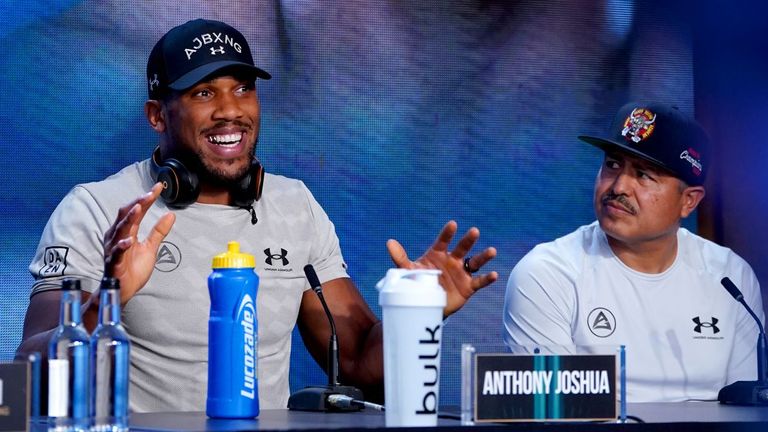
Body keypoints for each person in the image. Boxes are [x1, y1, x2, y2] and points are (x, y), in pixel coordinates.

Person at [17, 18, 498, 412]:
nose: (231, 110)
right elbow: (30, 374)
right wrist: (110, 295)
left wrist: (418, 313)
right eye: (203, 93)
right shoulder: (98, 208)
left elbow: (356, 367)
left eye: (243, 88)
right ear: (157, 116)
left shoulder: (296, 206)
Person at [503, 101, 765, 402]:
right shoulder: (547, 273)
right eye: (612, 164)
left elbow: (744, 408)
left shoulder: (731, 279)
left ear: (689, 201)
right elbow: (553, 413)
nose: (619, 186)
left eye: (643, 175)